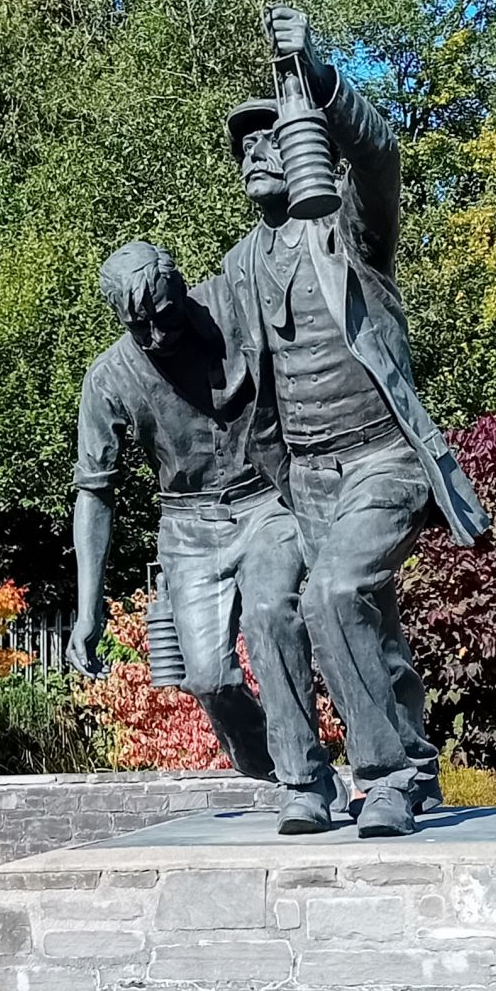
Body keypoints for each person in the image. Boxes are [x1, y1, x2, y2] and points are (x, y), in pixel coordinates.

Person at [218, 7, 489, 837]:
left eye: (273, 133)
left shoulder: (354, 234)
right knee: (266, 606)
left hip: (381, 460)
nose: (259, 149)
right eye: (245, 145)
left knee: (336, 594)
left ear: (305, 144)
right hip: (300, 482)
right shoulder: (236, 267)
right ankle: (304, 781)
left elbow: (380, 153)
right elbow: (224, 383)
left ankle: (390, 776)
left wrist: (322, 76)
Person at [68, 239, 337, 824]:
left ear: (182, 289)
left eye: (164, 317)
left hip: (267, 501)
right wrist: (88, 610)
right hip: (189, 527)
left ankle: (304, 784)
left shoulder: (234, 308)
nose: (157, 336)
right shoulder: (110, 378)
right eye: (139, 328)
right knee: (210, 677)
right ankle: (275, 755)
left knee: (271, 614)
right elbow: (95, 491)